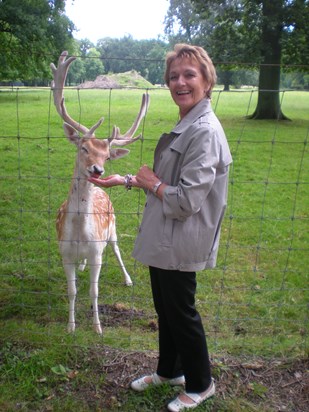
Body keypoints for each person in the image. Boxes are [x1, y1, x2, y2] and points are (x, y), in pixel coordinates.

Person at [89, 43, 232, 411]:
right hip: (166, 238)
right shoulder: (188, 123)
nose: (180, 82)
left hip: (182, 240)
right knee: (165, 310)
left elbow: (185, 201)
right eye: (173, 76)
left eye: (189, 75)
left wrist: (151, 183)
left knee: (181, 312)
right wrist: (121, 179)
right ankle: (170, 371)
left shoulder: (205, 131)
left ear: (207, 80)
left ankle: (201, 383)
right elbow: (163, 178)